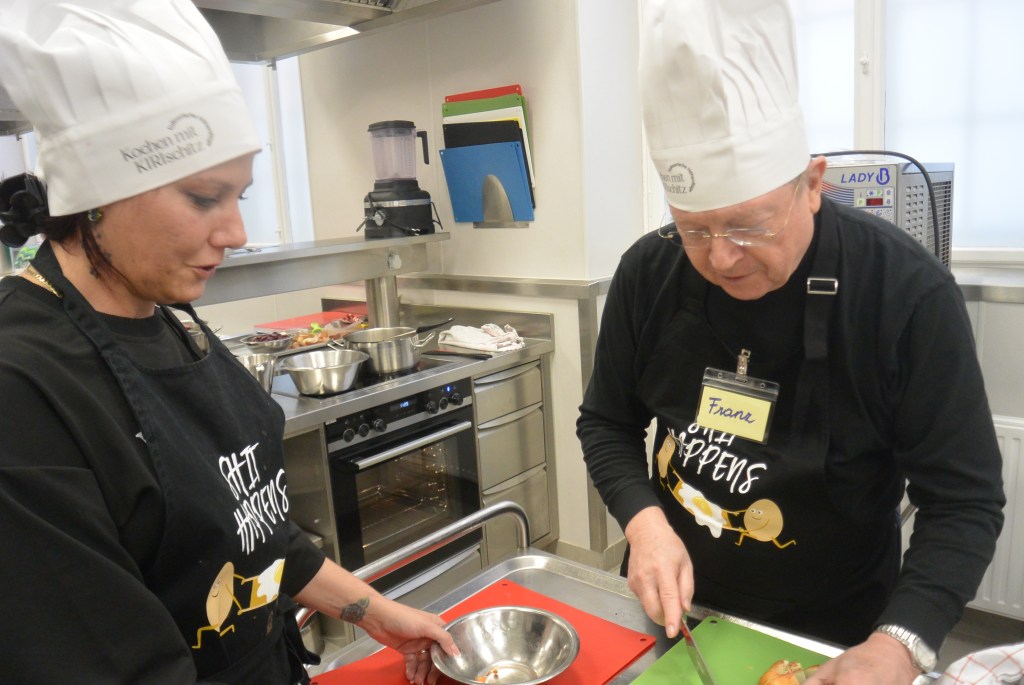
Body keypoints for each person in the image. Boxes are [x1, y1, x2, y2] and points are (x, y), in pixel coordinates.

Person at [0, 1, 457, 683]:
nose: (237, 232)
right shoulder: (23, 386)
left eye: (240, 195)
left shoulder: (172, 318)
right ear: (99, 191)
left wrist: (373, 611)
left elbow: (255, 533)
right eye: (204, 197)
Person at [577, 1, 1005, 684]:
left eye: (749, 225)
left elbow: (964, 501)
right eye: (694, 229)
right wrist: (643, 522)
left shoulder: (905, 294)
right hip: (674, 612)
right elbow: (605, 422)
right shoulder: (647, 273)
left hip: (834, 630)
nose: (722, 257)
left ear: (812, 184)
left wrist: (898, 644)